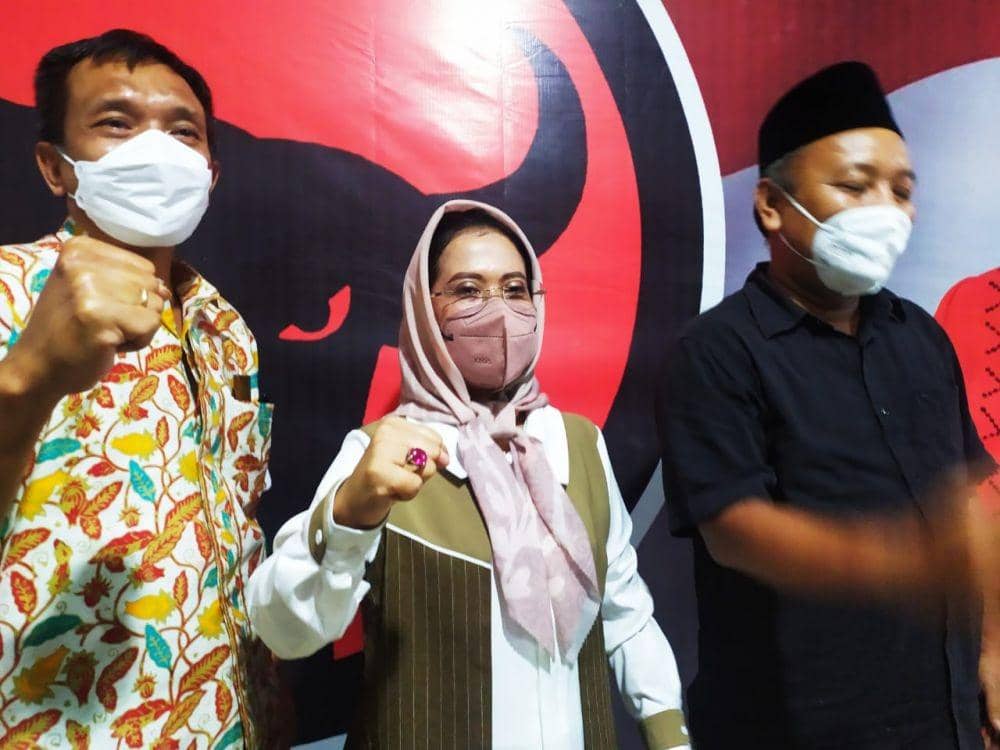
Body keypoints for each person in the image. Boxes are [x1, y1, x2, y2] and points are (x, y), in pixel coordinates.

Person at [247, 199, 689, 750]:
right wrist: (347, 517)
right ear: (425, 311)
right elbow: (284, 630)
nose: (498, 311)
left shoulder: (577, 444)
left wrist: (669, 734)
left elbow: (624, 611)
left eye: (515, 289)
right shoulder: (381, 454)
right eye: (467, 290)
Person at [658, 61, 998, 749]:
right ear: (771, 205)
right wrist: (896, 562)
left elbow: (965, 500)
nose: (885, 210)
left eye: (901, 191)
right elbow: (735, 529)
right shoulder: (716, 351)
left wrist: (992, 649)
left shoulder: (921, 335)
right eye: (854, 185)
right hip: (797, 724)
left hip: (947, 717)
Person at [0, 30, 278, 748]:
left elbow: (238, 536)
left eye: (182, 131)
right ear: (54, 168)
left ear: (209, 173)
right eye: (116, 123)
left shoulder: (227, 330)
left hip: (223, 723)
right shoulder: (6, 293)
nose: (157, 150)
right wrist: (26, 381)